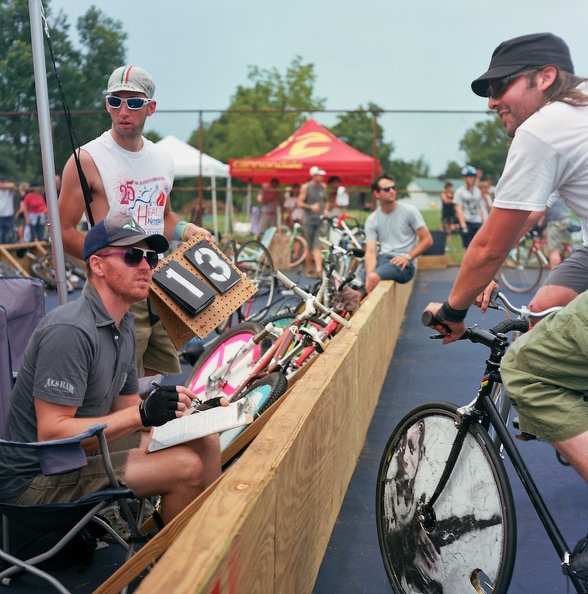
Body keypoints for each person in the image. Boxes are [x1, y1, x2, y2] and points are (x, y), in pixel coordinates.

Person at [421, 32, 588, 577]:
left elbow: (491, 243)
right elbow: (528, 217)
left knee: (527, 368)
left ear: (544, 78)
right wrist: (495, 284)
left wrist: (454, 308)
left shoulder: (545, 127)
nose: (492, 101)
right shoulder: (578, 115)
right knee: (539, 314)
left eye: (501, 86)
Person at [0, 215, 223, 526]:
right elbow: (52, 434)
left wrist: (190, 415)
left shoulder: (124, 324)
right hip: (37, 476)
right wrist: (143, 414)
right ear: (98, 265)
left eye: (151, 257)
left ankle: (210, 542)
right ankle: (174, 564)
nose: (147, 266)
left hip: (84, 452)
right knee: (185, 466)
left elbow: (128, 409)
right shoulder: (71, 329)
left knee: (205, 439)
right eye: (132, 256)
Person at [58, 65, 210, 377]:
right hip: (115, 288)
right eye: (115, 101)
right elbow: (61, 232)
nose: (123, 110)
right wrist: (106, 263)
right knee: (117, 383)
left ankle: (145, 428)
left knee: (155, 381)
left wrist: (187, 229)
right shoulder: (85, 160)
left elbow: (163, 217)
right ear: (107, 105)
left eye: (134, 102)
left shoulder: (162, 158)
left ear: (150, 108)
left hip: (159, 283)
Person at [357, 173, 433, 295]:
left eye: (394, 187)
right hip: (383, 259)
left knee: (372, 277)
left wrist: (408, 257)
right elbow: (370, 252)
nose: (392, 191)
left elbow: (427, 239)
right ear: (376, 194)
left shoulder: (409, 211)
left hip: (404, 264)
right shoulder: (372, 219)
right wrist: (368, 277)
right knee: (355, 288)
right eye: (387, 189)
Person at [297, 165, 330, 277]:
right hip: (309, 221)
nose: (321, 177)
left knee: (318, 246)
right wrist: (311, 207)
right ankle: (309, 270)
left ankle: (319, 270)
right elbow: (299, 203)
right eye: (319, 175)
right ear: (314, 175)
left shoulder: (323, 187)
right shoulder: (306, 187)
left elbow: (326, 201)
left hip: (320, 221)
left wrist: (325, 209)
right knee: (309, 246)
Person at [453, 165, 485, 249]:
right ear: (464, 178)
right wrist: (463, 225)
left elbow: (480, 207)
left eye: (472, 176)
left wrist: (483, 222)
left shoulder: (477, 191)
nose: (470, 179)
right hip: (467, 221)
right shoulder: (460, 192)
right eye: (468, 176)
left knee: (479, 247)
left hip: (477, 221)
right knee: (467, 248)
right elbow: (458, 209)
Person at [542, 195, 572, 268]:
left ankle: (555, 272)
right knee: (545, 233)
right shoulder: (555, 193)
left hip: (557, 223)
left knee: (554, 251)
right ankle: (550, 254)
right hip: (566, 220)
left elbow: (541, 215)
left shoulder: (546, 196)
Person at [0, 176, 15, 244]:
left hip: (8, 215)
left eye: (4, 181)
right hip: (0, 216)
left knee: (10, 235)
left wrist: (3, 185)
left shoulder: (9, 190)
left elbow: (12, 185)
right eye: (2, 181)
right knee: (1, 235)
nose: (3, 183)